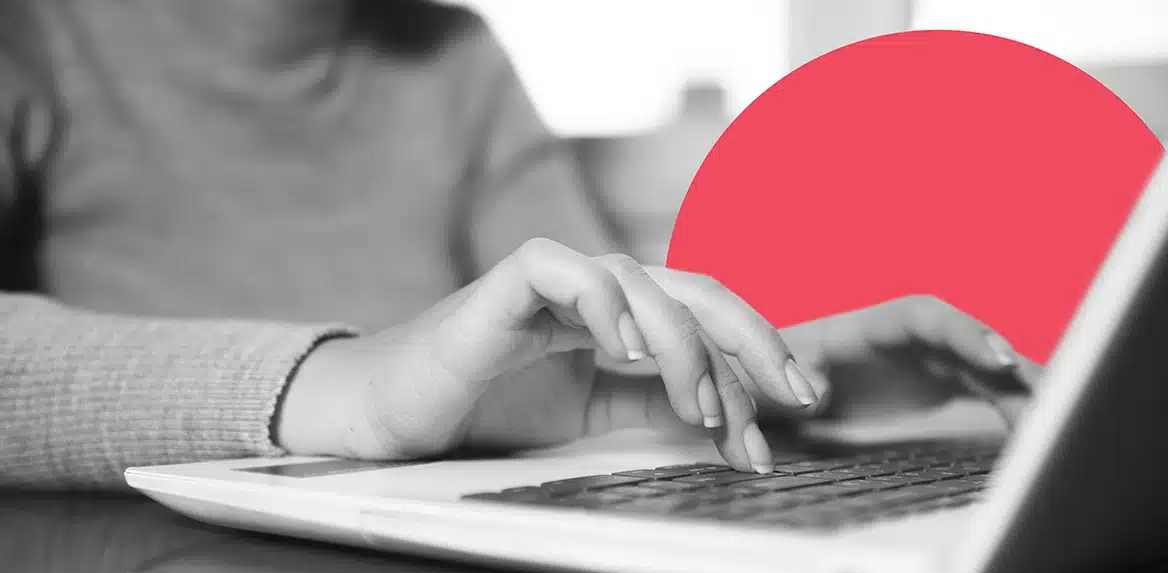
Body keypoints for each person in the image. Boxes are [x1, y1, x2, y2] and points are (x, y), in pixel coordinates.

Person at [0, 0, 1037, 490]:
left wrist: (793, 376)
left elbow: (597, 357)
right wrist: (359, 388)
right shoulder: (34, 37)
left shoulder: (453, 57)